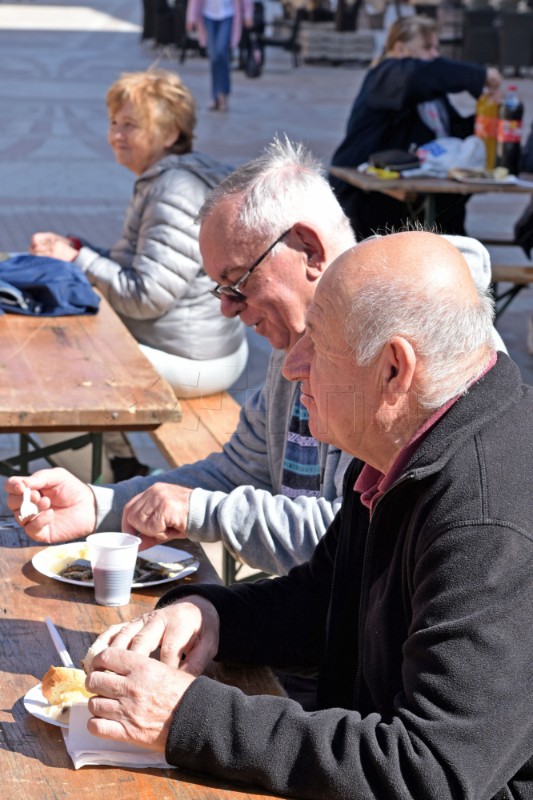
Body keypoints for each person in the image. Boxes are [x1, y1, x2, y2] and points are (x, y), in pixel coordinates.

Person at [76, 230, 532, 799]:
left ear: (394, 369)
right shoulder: (409, 446)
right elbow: (326, 602)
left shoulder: (487, 521)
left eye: (318, 341)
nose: (293, 365)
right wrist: (212, 616)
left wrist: (188, 717)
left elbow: (428, 771)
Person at [7, 141, 506, 577]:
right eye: (219, 289)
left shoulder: (398, 348)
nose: (226, 308)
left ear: (308, 249)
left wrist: (201, 512)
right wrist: (101, 503)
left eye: (238, 282)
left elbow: (346, 536)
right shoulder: (297, 340)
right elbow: (240, 470)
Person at [29, 68, 247, 480]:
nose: (116, 134)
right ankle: (121, 465)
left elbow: (146, 296)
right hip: (194, 345)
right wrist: (77, 249)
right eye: (114, 122)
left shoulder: (175, 189)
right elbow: (139, 270)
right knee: (67, 347)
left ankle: (101, 490)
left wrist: (76, 260)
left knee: (50, 374)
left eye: (131, 125)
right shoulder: (166, 179)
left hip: (195, 358)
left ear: (169, 134)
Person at [329, 16, 502, 240]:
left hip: (420, 205)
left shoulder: (431, 95)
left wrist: (489, 114)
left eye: (437, 48)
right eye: (427, 48)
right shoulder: (385, 75)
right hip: (369, 206)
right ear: (399, 49)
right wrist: (481, 76)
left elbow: (452, 135)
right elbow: (421, 75)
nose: (435, 56)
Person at [186, 0, 253, 112]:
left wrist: (248, 14)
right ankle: (215, 95)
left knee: (221, 52)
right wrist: (191, 17)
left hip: (228, 13)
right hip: (208, 14)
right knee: (213, 56)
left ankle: (223, 94)